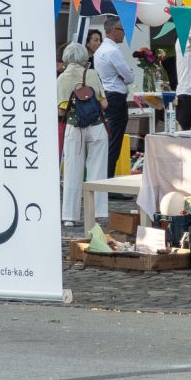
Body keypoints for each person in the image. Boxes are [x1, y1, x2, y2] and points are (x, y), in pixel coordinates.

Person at [58, 42, 109, 226]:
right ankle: (97, 213)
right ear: (83, 57)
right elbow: (104, 104)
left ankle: (69, 217)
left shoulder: (62, 79)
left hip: (75, 128)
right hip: (96, 126)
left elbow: (61, 111)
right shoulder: (92, 74)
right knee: (97, 170)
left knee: (72, 171)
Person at [93, 14, 135, 179]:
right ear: (113, 31)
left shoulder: (100, 51)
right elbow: (129, 77)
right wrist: (125, 76)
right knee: (114, 143)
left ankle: (105, 178)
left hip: (107, 96)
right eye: (122, 30)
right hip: (116, 99)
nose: (124, 33)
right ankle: (108, 180)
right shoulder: (113, 51)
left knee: (109, 141)